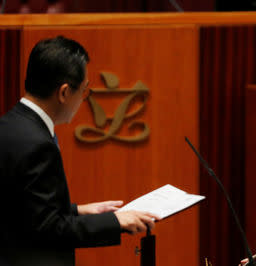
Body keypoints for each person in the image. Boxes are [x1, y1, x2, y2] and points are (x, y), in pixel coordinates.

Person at [0, 36, 159, 266]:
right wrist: (115, 221)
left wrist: (79, 211)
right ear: (64, 93)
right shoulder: (38, 145)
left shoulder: (9, 125)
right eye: (84, 90)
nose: (83, 98)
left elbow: (22, 210)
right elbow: (50, 229)